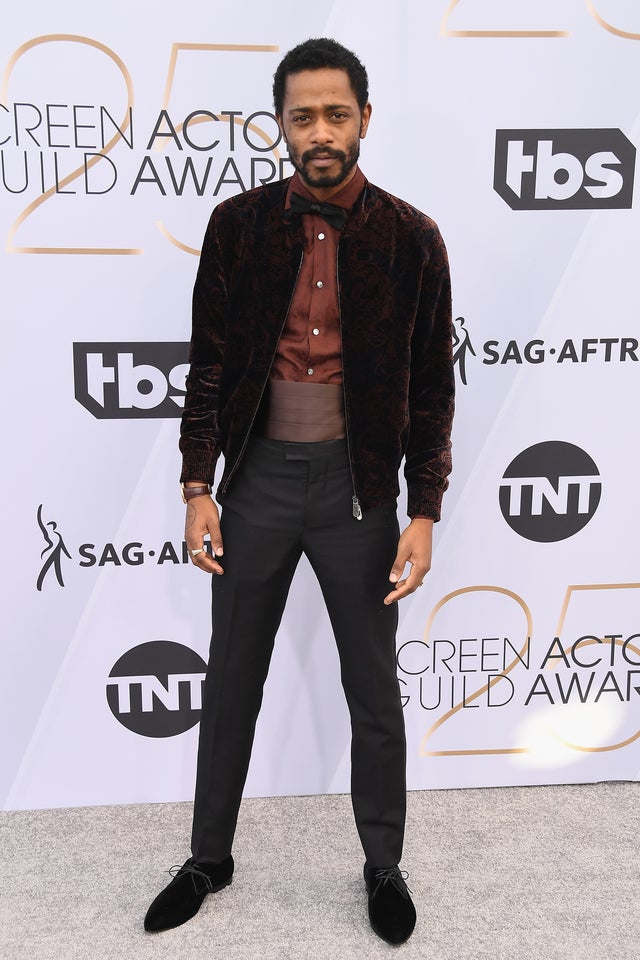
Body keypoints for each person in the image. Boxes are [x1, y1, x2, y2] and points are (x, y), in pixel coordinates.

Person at [144, 37, 454, 946]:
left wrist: (424, 511)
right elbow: (206, 369)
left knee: (373, 691)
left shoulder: (412, 238)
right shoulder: (238, 226)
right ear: (280, 124)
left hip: (360, 494)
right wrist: (199, 486)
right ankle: (208, 857)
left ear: (365, 117)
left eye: (336, 113)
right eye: (301, 116)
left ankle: (384, 863)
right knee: (232, 677)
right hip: (258, 483)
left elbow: (433, 389)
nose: (319, 132)